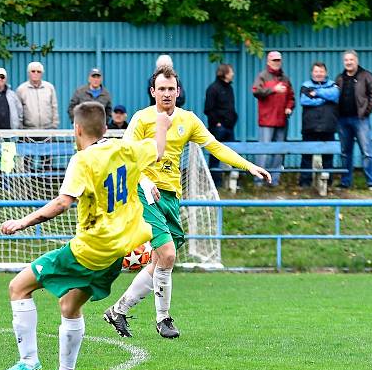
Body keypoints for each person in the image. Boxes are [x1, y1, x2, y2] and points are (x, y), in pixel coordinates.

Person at [0, 101, 171, 370]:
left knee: (18, 287)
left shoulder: (83, 160)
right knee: (69, 306)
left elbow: (63, 202)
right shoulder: (124, 149)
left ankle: (28, 364)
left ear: (76, 129)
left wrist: (23, 222)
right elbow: (158, 149)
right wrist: (162, 125)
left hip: (87, 250)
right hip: (114, 256)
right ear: (104, 128)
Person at [103, 65, 271, 340]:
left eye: (171, 89)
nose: (167, 94)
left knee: (159, 261)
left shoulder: (188, 120)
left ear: (178, 92)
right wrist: (144, 180)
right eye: (162, 89)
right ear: (152, 92)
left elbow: (215, 146)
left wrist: (248, 166)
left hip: (171, 196)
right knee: (168, 255)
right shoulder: (142, 119)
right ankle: (163, 319)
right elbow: (125, 155)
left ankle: (118, 311)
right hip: (145, 193)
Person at [335, 50, 372, 190]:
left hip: (360, 119)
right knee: (345, 153)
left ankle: (371, 182)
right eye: (346, 60)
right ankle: (345, 182)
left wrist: (366, 112)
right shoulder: (340, 78)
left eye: (351, 60)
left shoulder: (367, 76)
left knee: (367, 152)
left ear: (356, 60)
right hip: (342, 120)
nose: (348, 62)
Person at [252, 50, 294, 186]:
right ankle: (259, 181)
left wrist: (289, 107)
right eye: (274, 60)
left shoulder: (285, 78)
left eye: (278, 60)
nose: (276, 63)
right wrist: (273, 89)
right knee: (263, 151)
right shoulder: (262, 76)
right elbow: (256, 91)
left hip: (282, 120)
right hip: (267, 121)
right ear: (268, 62)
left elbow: (291, 97)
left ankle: (274, 181)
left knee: (279, 152)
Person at [299, 62, 340, 188]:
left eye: (321, 71)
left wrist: (316, 93)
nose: (319, 74)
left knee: (328, 157)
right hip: (310, 127)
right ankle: (305, 182)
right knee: (307, 156)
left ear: (325, 73)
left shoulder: (332, 85)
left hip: (328, 127)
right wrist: (325, 98)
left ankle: (328, 182)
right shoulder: (306, 86)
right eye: (316, 71)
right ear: (312, 73)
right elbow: (304, 100)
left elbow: (335, 95)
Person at [204, 64, 238, 187]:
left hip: (230, 128)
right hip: (218, 129)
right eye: (231, 72)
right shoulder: (213, 89)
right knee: (215, 156)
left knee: (232, 155)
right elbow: (208, 109)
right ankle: (215, 184)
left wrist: (234, 118)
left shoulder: (229, 88)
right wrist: (217, 123)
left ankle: (231, 184)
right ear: (224, 73)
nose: (233, 74)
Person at [16, 61, 59, 130]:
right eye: (33, 71)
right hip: (27, 130)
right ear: (28, 73)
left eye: (38, 71)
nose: (36, 73)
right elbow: (18, 111)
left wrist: (55, 125)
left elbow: (54, 107)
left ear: (42, 74)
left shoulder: (49, 88)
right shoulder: (21, 89)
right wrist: (20, 128)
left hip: (48, 129)